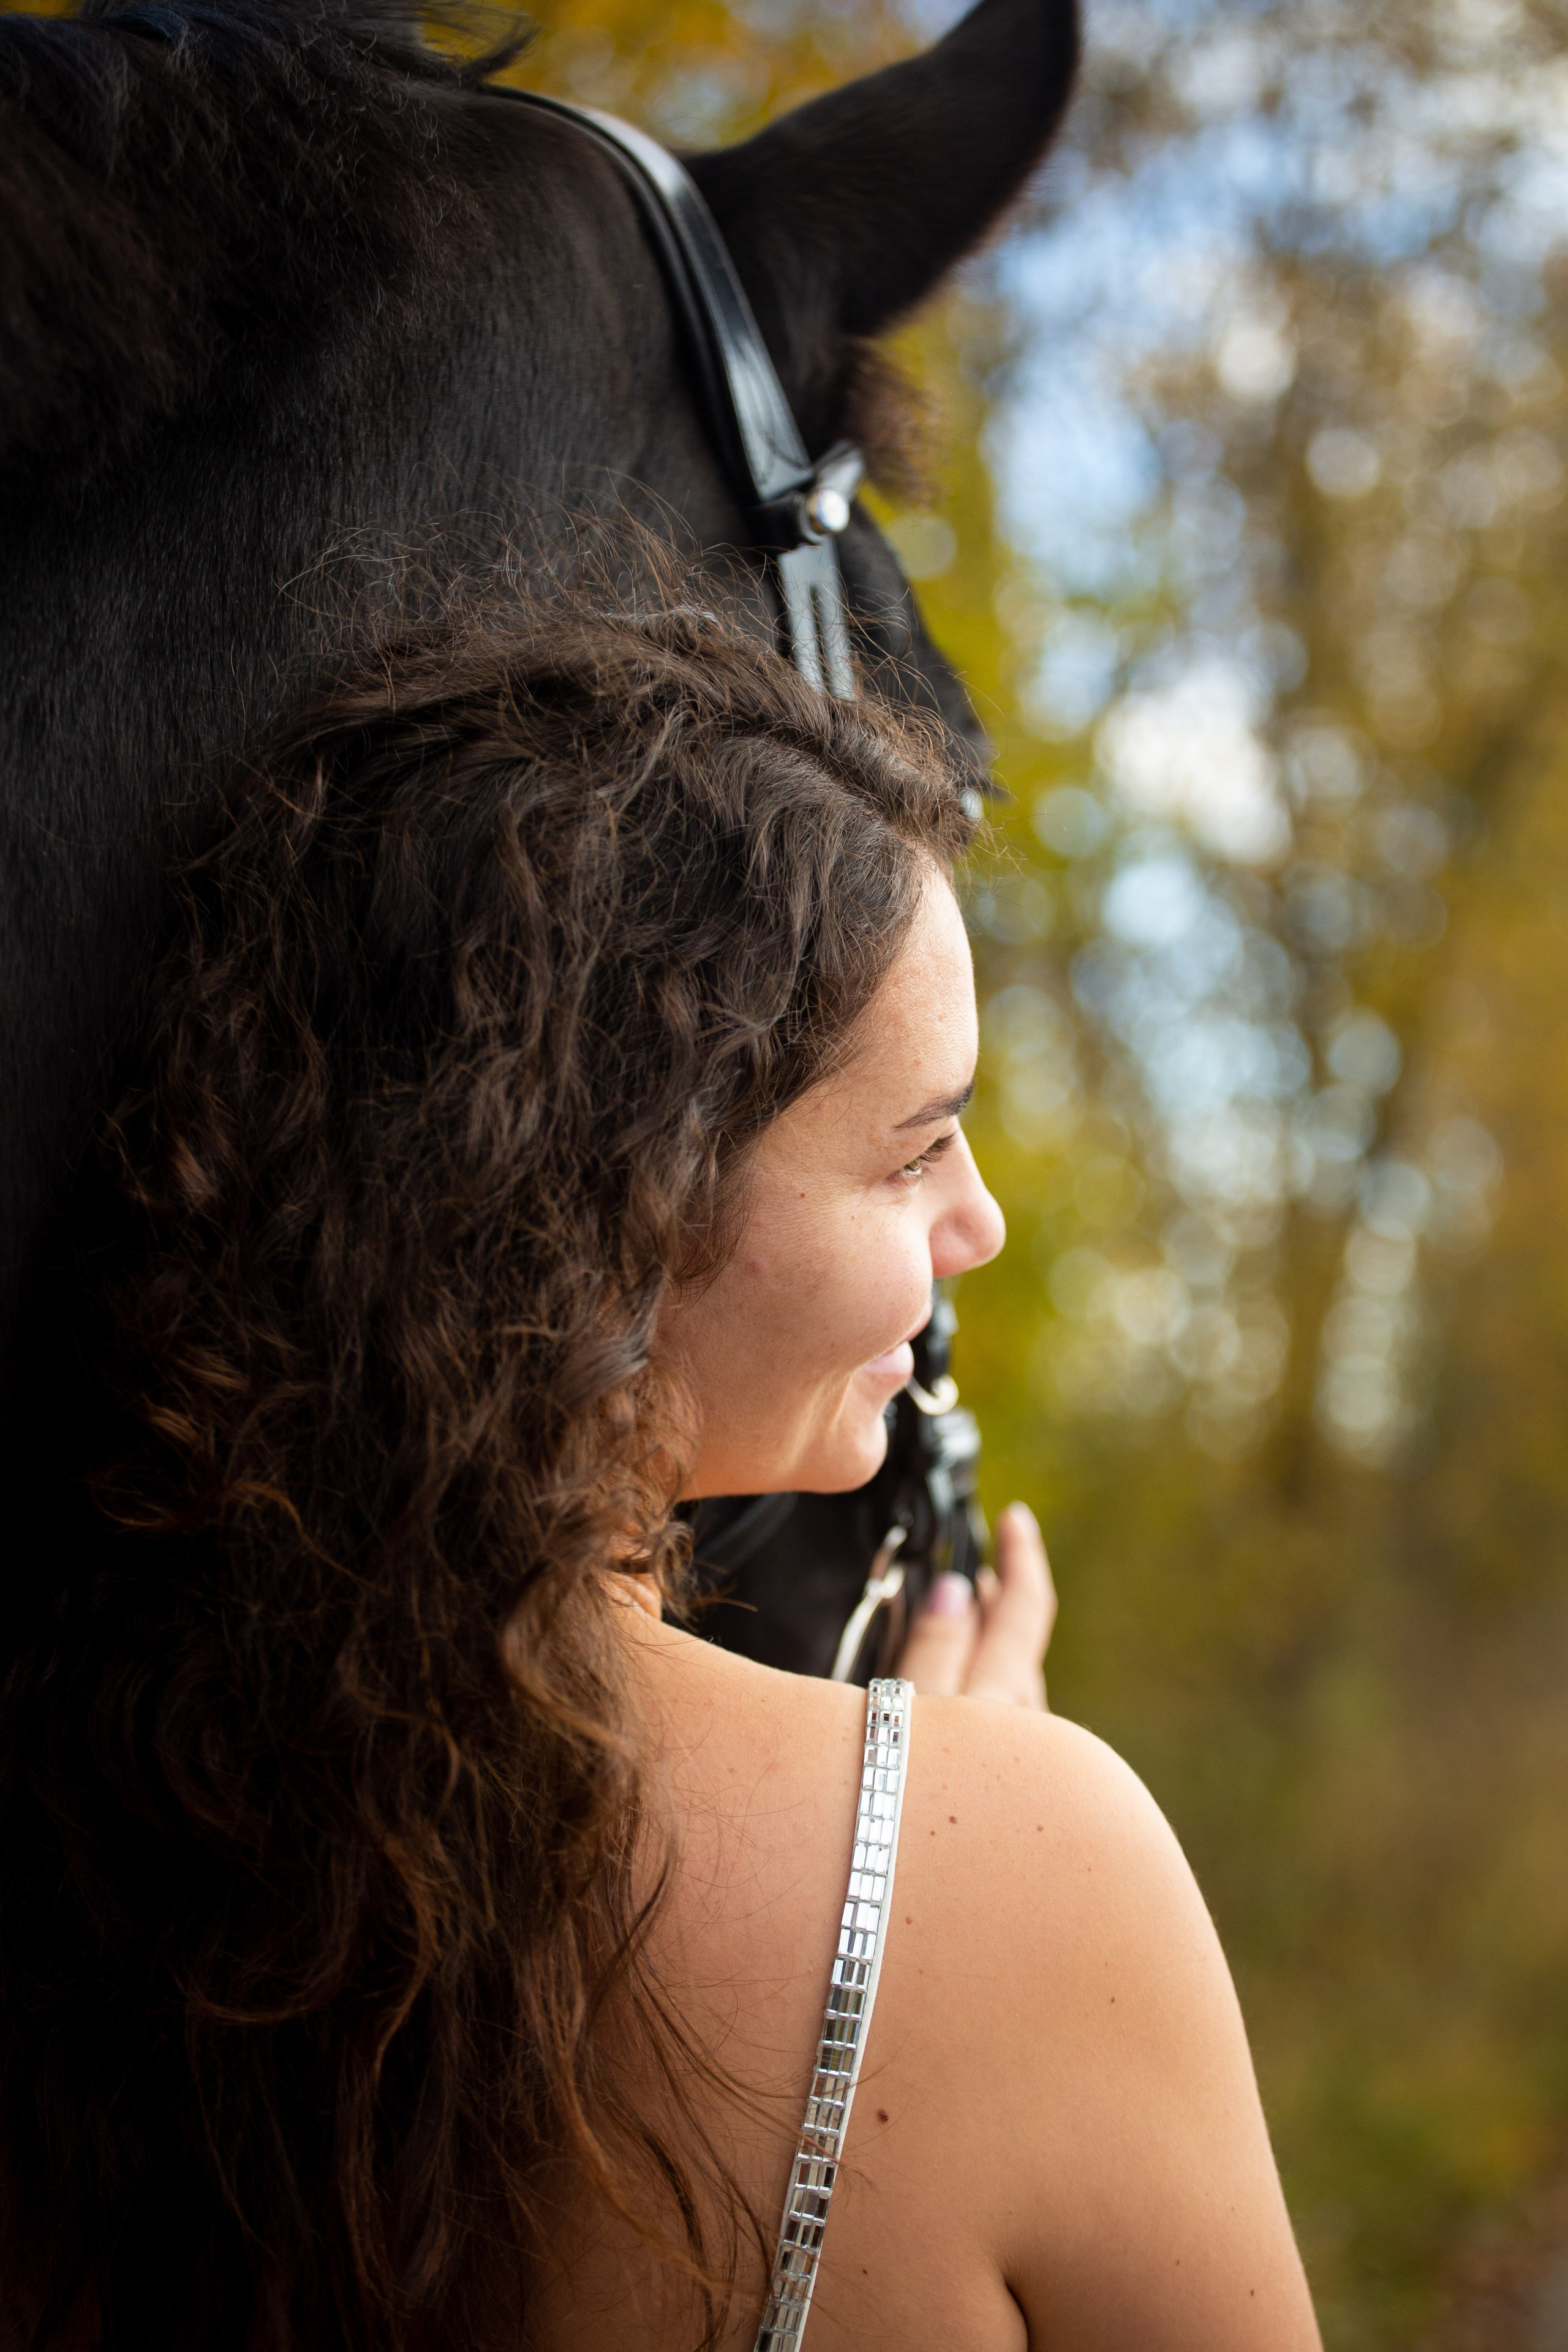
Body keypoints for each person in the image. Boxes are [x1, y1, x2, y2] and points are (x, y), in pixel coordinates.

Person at [0, 592, 1323, 2352]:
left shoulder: (88, 1840)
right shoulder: (1035, 1873)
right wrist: (958, 1827)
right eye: (915, 1146)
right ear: (621, 1208)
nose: (980, 1220)